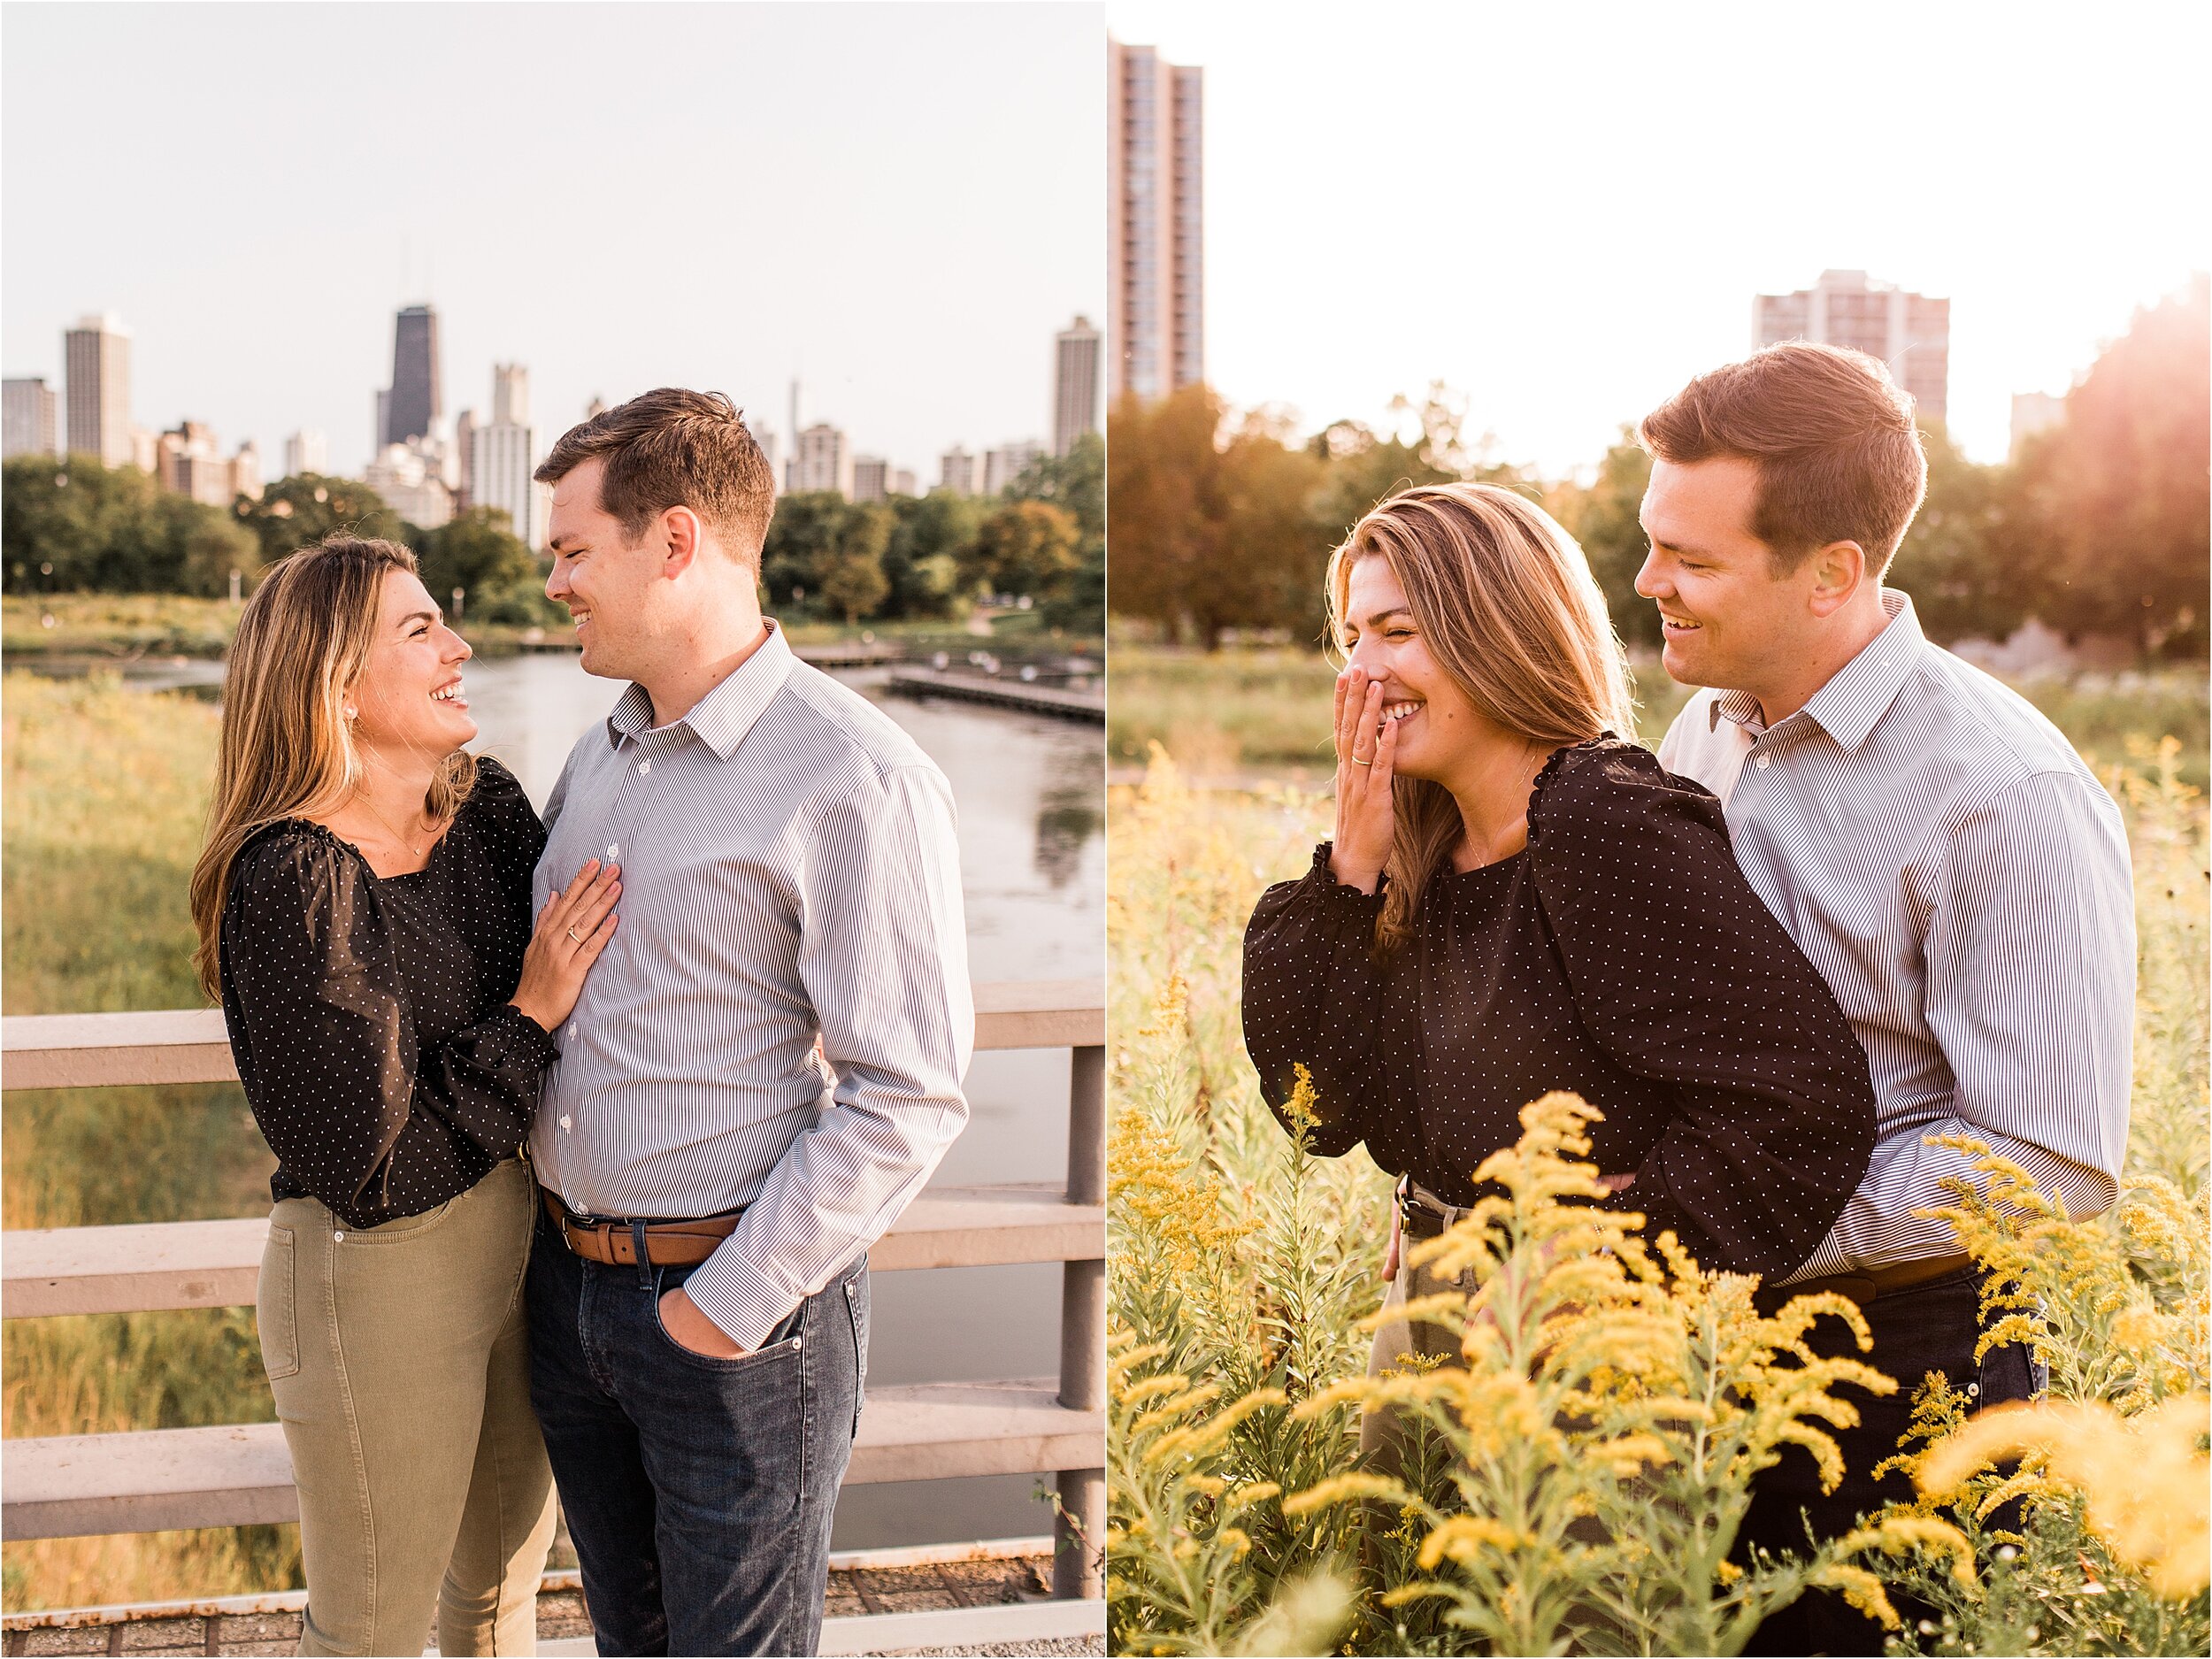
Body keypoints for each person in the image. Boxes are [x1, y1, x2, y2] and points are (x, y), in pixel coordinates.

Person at [1637, 341, 2134, 1654]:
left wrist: (1756, 1225)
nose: (1650, 584)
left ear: (1833, 571)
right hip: (1699, 1350)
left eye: (1692, 558)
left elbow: (2052, 1152)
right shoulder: (1705, 726)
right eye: (1653, 543)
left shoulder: (2004, 792)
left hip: (1912, 1376)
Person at [1240, 482, 1879, 1463]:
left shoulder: (1602, 822)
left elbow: (1803, 1102)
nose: (1362, 671)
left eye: (1397, 632)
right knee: (1393, 1611)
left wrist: (1607, 1246)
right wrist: (1350, 868)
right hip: (1423, 1306)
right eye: (1352, 637)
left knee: (1566, 1621)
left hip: (1587, 1347)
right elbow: (1320, 1114)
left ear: (1495, 631)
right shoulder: (1422, 848)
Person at [520, 388, 973, 1657]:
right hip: (569, 1293)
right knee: (629, 1639)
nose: (556, 582)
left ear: (674, 542)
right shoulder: (602, 751)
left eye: (573, 552)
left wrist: (723, 1306)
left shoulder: (854, 774)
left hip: (734, 1318)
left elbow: (912, 1091)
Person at [190, 536, 619, 1656]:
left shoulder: (486, 812)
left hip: (525, 1251)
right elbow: (369, 1172)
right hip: (374, 1288)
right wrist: (528, 1017)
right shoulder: (293, 877)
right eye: (420, 631)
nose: (459, 646)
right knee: (372, 1630)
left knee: (498, 1603)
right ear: (334, 682)